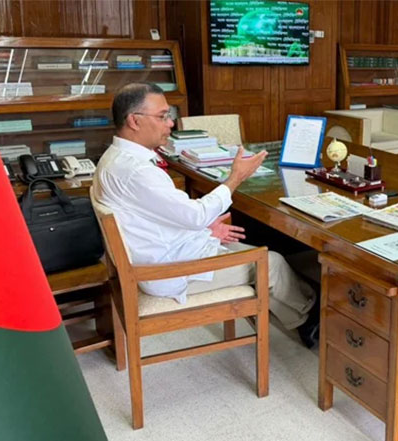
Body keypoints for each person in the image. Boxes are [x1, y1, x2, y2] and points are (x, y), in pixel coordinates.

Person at [92, 83, 319, 348]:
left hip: (162, 255)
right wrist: (235, 178)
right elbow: (196, 215)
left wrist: (203, 230)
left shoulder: (113, 158)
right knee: (273, 263)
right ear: (134, 120)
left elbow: (155, 216)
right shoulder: (137, 170)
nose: (171, 124)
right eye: (163, 116)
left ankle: (300, 305)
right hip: (168, 272)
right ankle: (312, 316)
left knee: (250, 248)